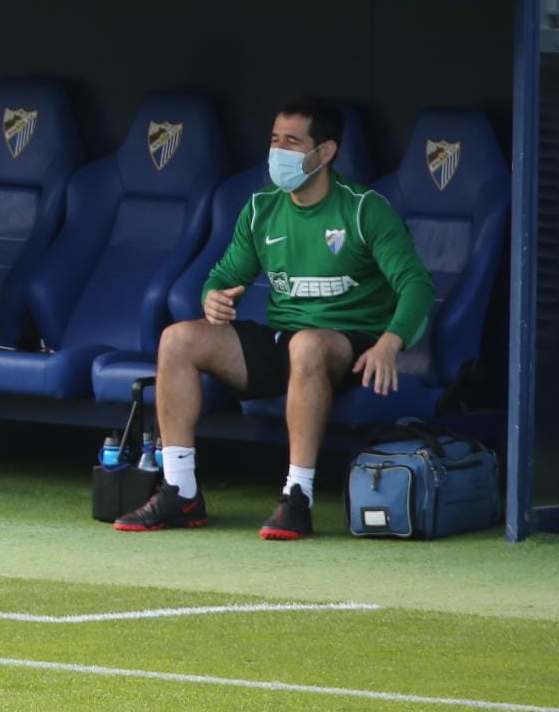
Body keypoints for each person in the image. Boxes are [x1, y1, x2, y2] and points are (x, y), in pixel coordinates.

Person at [116, 95, 434, 540]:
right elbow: (223, 276)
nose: (278, 152)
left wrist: (390, 341)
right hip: (283, 341)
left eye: (292, 141)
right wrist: (212, 299)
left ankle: (297, 496)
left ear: (325, 152)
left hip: (348, 346)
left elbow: (418, 286)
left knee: (307, 343)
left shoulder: (363, 209)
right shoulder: (261, 208)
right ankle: (180, 490)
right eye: (274, 140)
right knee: (177, 339)